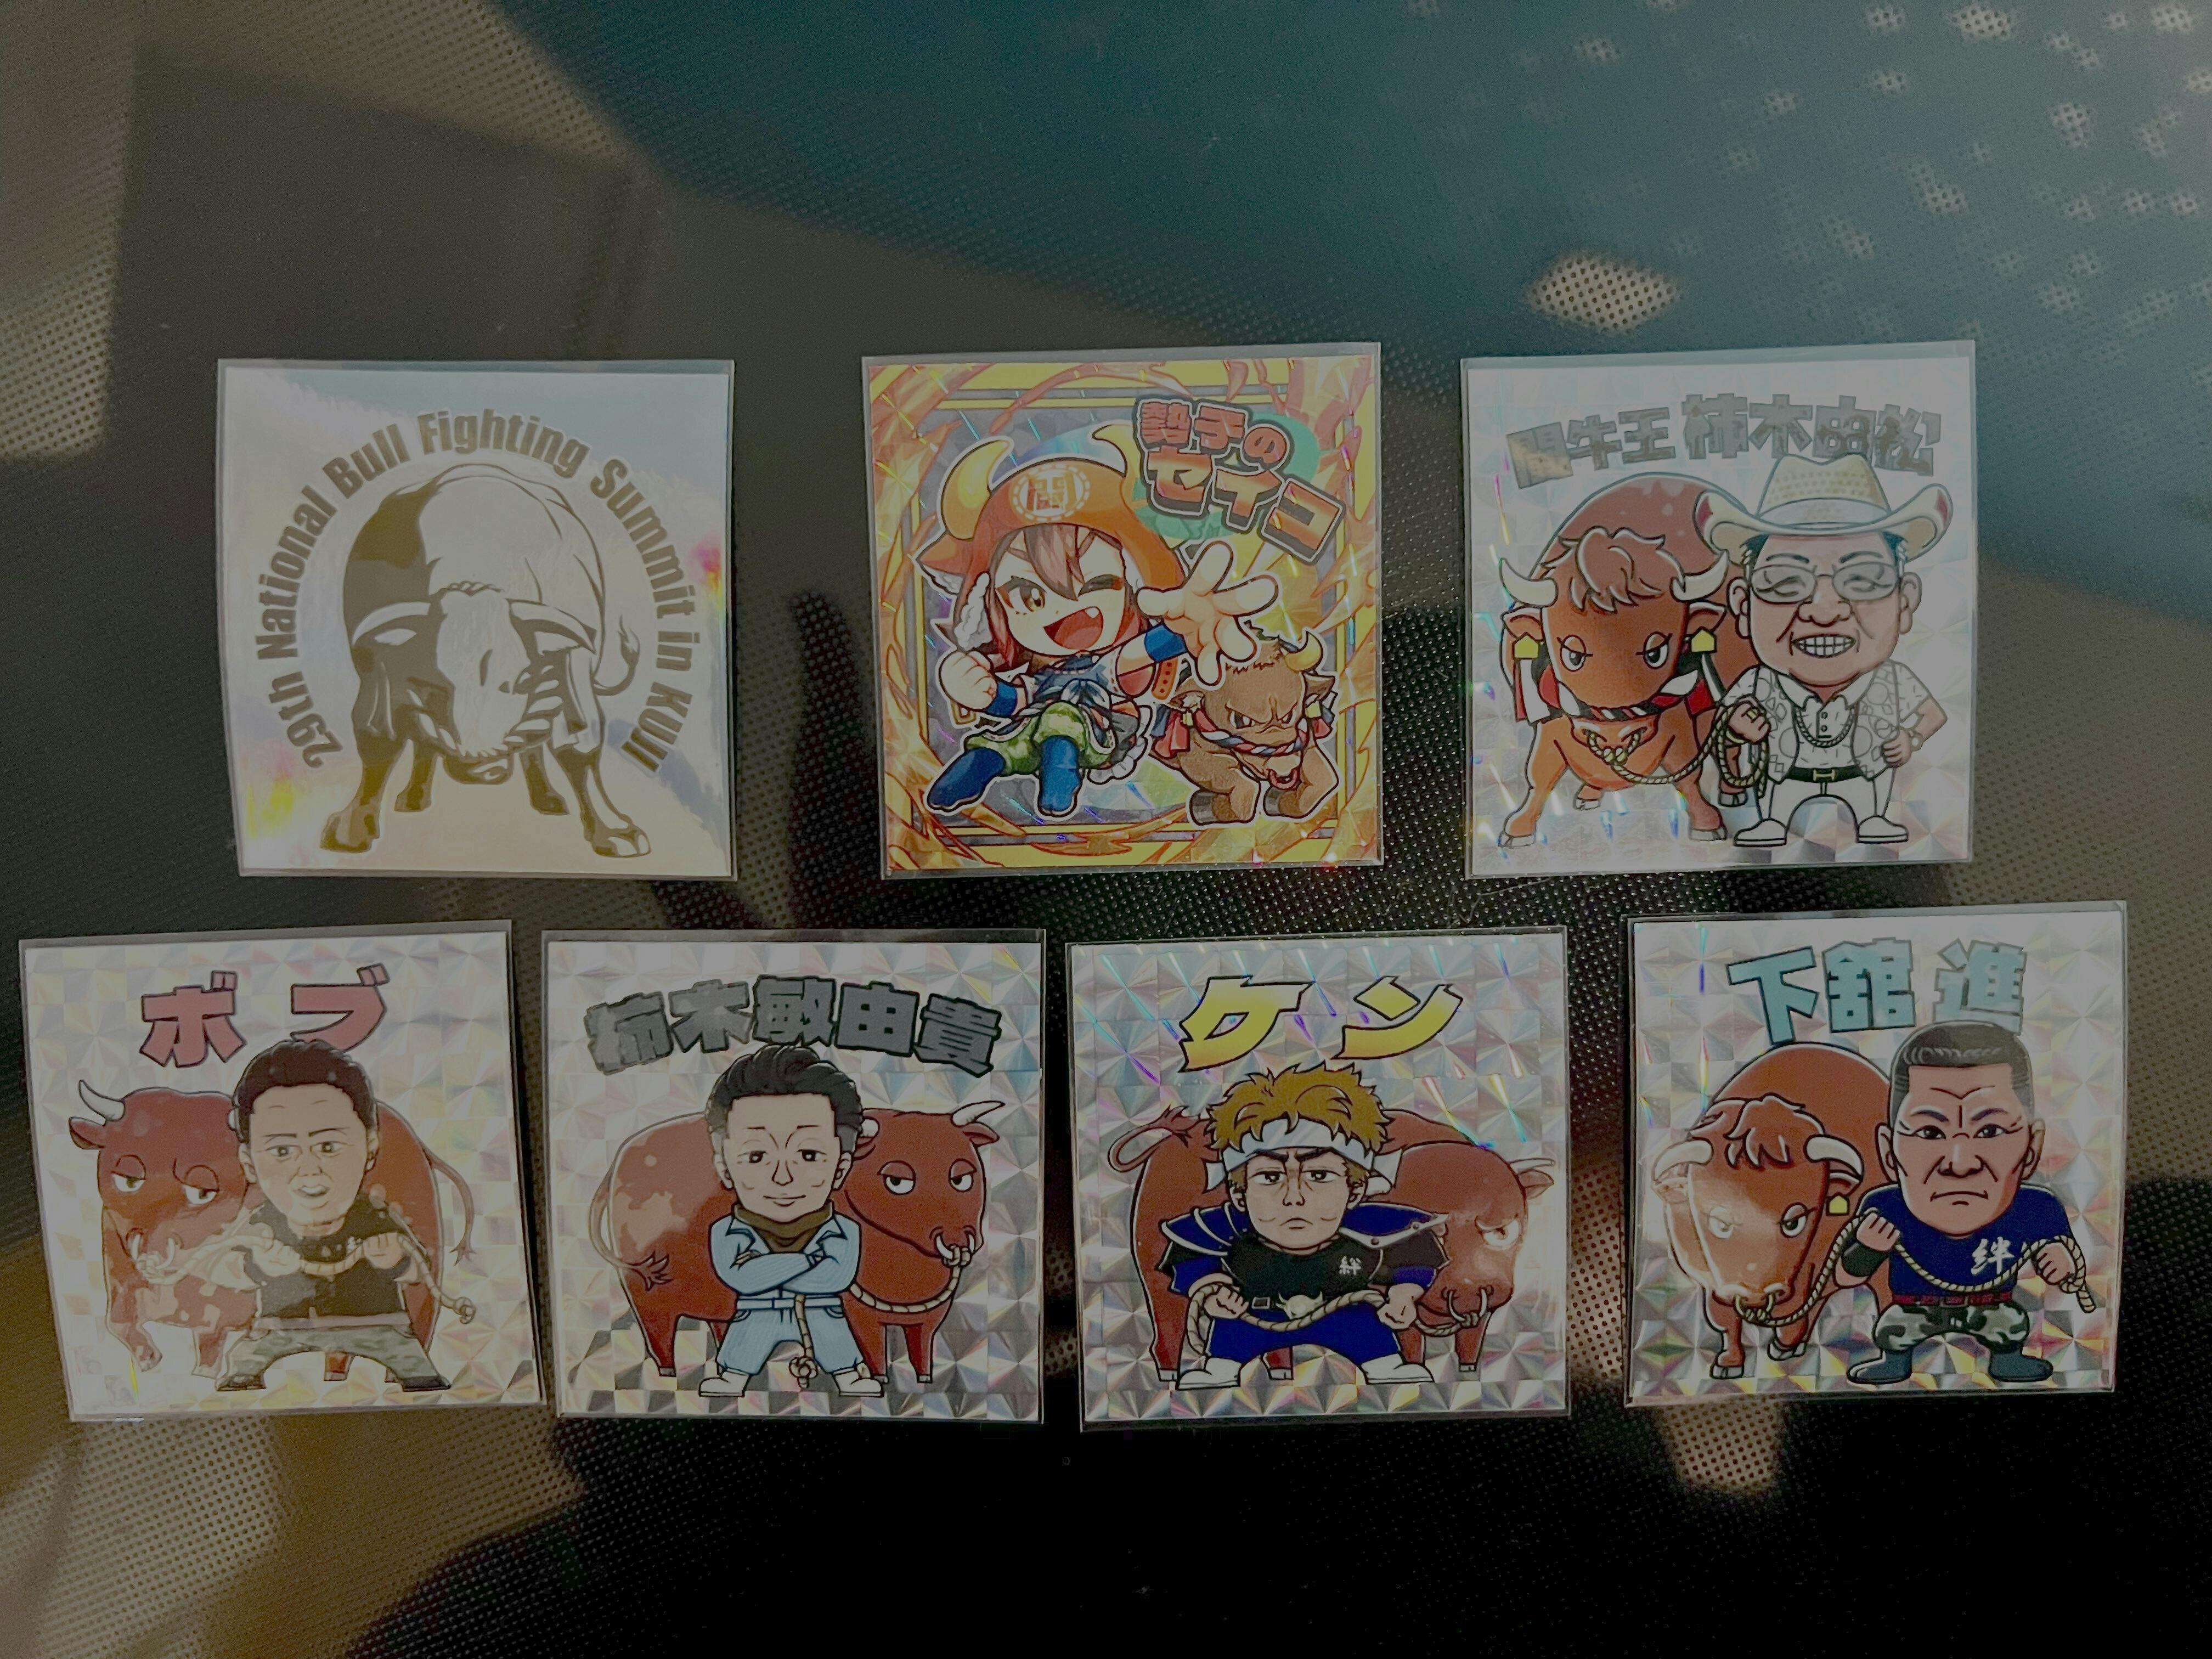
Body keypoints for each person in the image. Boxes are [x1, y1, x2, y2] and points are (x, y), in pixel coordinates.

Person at [917, 438, 1276, 820]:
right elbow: (1015, 702)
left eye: (1098, 584)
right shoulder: (1042, 679)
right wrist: (980, 693)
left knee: (1061, 720)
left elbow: (1152, 647)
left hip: (1107, 731)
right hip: (1038, 726)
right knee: (1005, 744)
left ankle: (1061, 779)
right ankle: (975, 769)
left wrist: (1188, 625)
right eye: (1029, 595)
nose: (1067, 614)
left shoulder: (1110, 667)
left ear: (1130, 586)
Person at [1692, 453, 1951, 848]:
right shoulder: (1758, 682)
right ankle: (1772, 822)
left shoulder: (1894, 679)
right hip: (1785, 778)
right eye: (1784, 582)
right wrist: (1738, 729)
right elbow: (1723, 721)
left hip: (1865, 777)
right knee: (1776, 807)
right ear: (1744, 607)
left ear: (1905, 602)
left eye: (1863, 580)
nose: (1824, 611)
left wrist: (1911, 738)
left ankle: (1873, 818)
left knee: (1870, 809)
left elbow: (1935, 714)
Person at [1834, 1021, 2085, 1385]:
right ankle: (1894, 1362)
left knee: (2011, 1325)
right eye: (1930, 1132)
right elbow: (1846, 1276)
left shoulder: (2037, 1209)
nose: (1960, 1163)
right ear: (1889, 1153)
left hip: (1991, 1304)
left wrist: (2062, 1262)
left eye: (1990, 1131)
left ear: (2032, 1148)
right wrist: (1868, 1249)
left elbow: (2070, 1268)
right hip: (1915, 1306)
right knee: (1893, 1329)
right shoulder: (1883, 1208)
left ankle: (2007, 1360)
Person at [1160, 1064, 1441, 1390]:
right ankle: (1219, 1367)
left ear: (1354, 1191)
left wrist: (1405, 1294)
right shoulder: (1224, 1227)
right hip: (1252, 1316)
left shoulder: (1375, 1226)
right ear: (1239, 1194)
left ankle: (1386, 1363)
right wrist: (1212, 1292)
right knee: (1224, 1355)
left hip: (1348, 1314)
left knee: (1377, 1348)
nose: (1294, 1198)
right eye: (1270, 1177)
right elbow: (1191, 1256)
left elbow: (1413, 1253)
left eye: (1319, 1176)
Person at [211, 1039, 450, 1391]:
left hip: (375, 1322)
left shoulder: (374, 1215)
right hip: (283, 1326)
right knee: (243, 1362)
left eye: (328, 1146)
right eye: (282, 1150)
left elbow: (420, 1270)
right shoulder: (264, 1223)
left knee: (413, 1364)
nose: (309, 1169)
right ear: (248, 1162)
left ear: (370, 1147)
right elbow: (221, 1269)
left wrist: (395, 1261)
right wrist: (258, 1265)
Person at [698, 1043, 881, 1397]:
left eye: (808, 1154)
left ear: (840, 1168)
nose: (782, 1177)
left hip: (821, 1312)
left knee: (835, 1339)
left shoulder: (844, 1229)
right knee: (745, 1341)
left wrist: (766, 1266)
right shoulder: (726, 1231)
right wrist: (806, 1261)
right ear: (725, 1167)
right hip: (756, 1312)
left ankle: (849, 1375)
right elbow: (743, 1279)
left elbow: (834, 1277)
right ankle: (733, 1376)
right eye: (756, 1156)